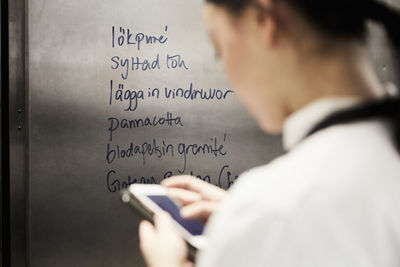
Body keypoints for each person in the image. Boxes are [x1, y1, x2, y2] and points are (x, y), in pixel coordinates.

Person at [138, 0, 400, 266]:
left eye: (219, 49)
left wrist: (254, 223)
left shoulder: (275, 211)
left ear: (262, 20)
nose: (226, 70)